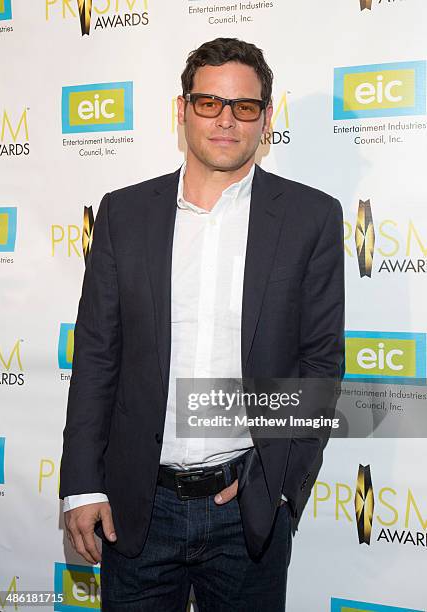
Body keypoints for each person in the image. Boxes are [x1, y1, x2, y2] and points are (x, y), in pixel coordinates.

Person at [60, 37, 345, 611]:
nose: (226, 120)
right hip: (137, 508)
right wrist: (82, 485)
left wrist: (282, 483)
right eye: (209, 102)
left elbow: (320, 363)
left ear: (266, 116)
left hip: (247, 515)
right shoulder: (124, 213)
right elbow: (96, 357)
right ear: (182, 110)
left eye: (243, 106)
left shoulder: (311, 216)